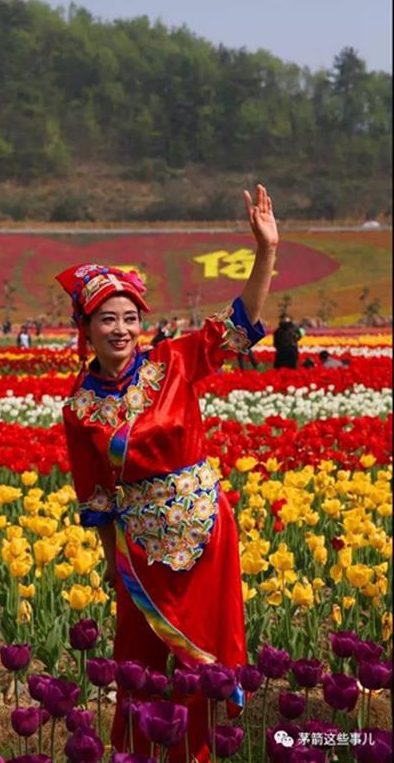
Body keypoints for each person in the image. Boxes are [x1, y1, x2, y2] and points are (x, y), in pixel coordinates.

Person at [56, 184, 278, 759]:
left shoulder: (173, 362)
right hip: (139, 554)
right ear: (87, 328)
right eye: (109, 319)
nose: (123, 329)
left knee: (201, 654)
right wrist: (112, 564)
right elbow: (97, 498)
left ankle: (204, 751)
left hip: (204, 535)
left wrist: (266, 253)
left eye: (130, 318)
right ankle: (142, 752)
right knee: (140, 658)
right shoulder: (79, 408)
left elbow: (239, 328)